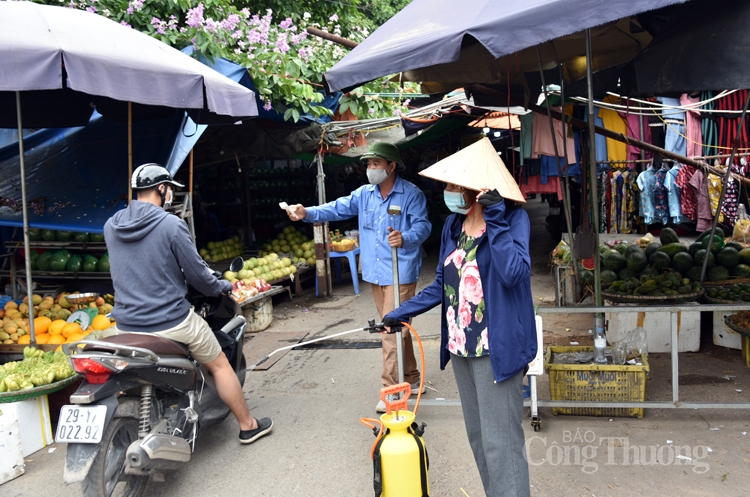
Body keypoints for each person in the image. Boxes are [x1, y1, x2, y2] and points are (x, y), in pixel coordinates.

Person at [383, 178, 536, 496]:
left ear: (475, 187)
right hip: (459, 348)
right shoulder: (454, 224)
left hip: (496, 349)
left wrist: (495, 216)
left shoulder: (512, 218)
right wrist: (400, 312)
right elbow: (442, 282)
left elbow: (513, 273)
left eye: (455, 186)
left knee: (501, 443)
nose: (449, 193)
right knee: (480, 438)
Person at [104, 163, 273, 445]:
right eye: (169, 188)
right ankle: (248, 426)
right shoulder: (170, 225)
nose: (170, 194)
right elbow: (197, 275)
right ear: (161, 189)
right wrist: (222, 286)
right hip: (171, 321)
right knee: (220, 364)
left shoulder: (111, 225)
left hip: (126, 325)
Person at [286, 142, 432, 412]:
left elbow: (424, 226)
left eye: (376, 164)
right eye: (368, 164)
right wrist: (307, 212)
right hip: (376, 273)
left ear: (391, 166)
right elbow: (337, 208)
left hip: (401, 273)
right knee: (397, 328)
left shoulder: (411, 194)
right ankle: (411, 378)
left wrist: (406, 237)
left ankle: (390, 390)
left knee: (390, 330)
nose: (370, 169)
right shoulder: (364, 194)